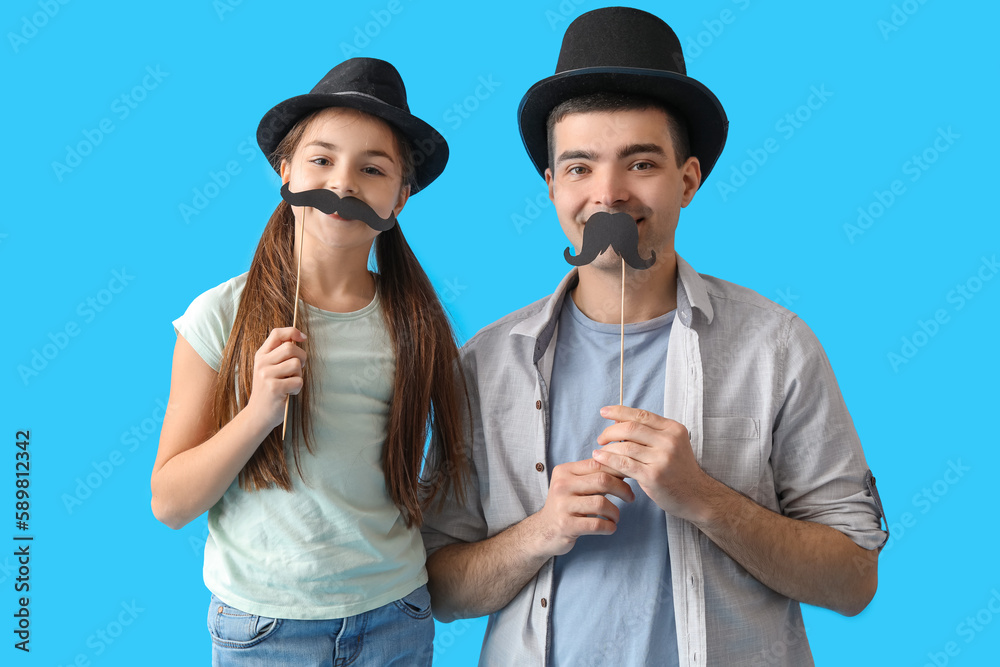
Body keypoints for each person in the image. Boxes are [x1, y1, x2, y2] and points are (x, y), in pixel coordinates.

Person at [421, 8, 888, 666]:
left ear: (688, 179)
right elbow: (436, 585)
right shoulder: (484, 364)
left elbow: (853, 580)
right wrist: (542, 531)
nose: (608, 194)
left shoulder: (777, 347)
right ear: (552, 186)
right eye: (579, 168)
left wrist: (702, 496)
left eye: (640, 162)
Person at [150, 58, 466, 666]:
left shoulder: (417, 325)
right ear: (285, 170)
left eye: (372, 169)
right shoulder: (220, 315)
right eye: (322, 160)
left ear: (400, 197)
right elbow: (170, 503)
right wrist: (259, 412)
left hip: (396, 617)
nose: (343, 184)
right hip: (263, 628)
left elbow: (443, 473)